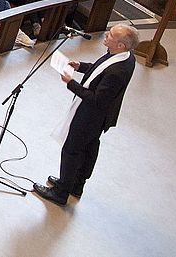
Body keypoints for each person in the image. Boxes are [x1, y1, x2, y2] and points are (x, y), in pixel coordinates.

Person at [33, 24, 139, 206]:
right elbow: (100, 69)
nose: (106, 34)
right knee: (88, 148)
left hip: (92, 116)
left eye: (111, 35)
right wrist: (80, 66)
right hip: (97, 115)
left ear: (121, 45)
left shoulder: (118, 70)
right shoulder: (123, 56)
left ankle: (61, 192)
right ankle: (75, 185)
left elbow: (97, 99)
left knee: (72, 150)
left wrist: (71, 83)